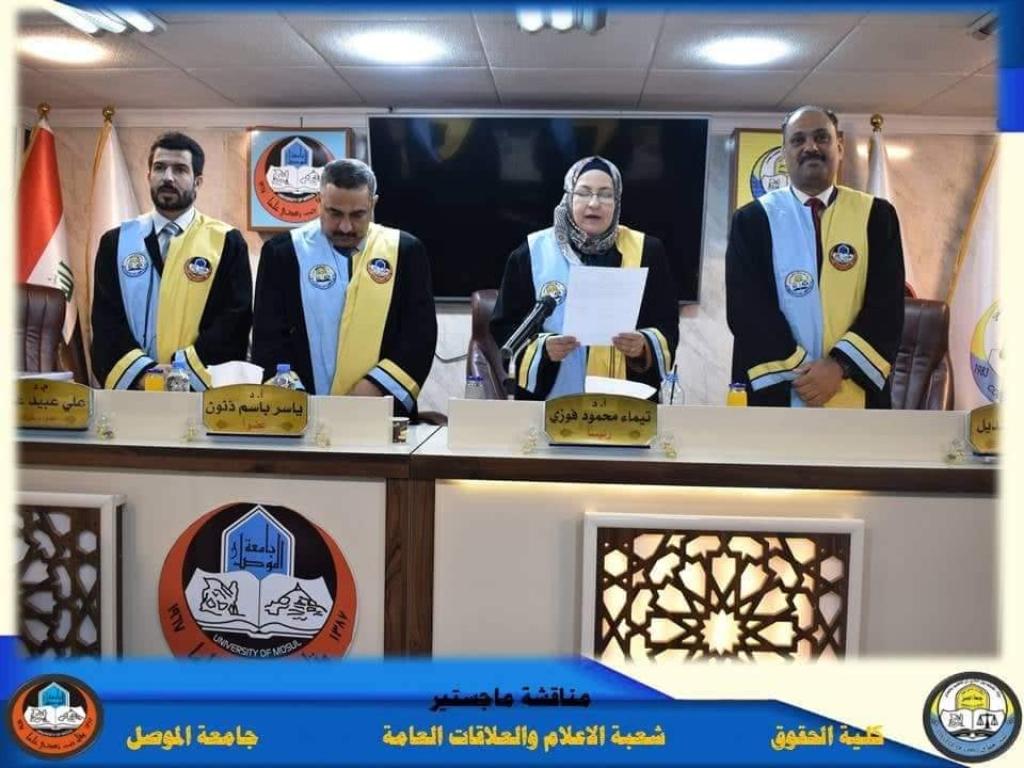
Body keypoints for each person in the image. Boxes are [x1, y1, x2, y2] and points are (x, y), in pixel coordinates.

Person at [726, 106, 905, 408]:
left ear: (840, 147)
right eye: (798, 140)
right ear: (784, 153)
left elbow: (887, 306)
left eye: (822, 137)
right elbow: (747, 309)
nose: (810, 147)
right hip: (778, 393)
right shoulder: (753, 220)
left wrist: (838, 366)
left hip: (856, 390)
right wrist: (805, 373)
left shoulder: (877, 217)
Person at [252, 159, 437, 417]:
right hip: (300, 414)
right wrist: (299, 407)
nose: (346, 227)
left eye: (358, 214)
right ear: (319, 202)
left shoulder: (405, 251)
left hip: (380, 412)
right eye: (335, 213)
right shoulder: (284, 253)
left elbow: (419, 337)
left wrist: (367, 394)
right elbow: (268, 339)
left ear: (373, 204)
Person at [491, 156, 679, 400]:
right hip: (550, 401)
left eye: (606, 194)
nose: (594, 203)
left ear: (617, 202)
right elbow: (504, 326)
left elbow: (666, 323)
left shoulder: (647, 251)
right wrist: (543, 349)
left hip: (626, 402)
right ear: (569, 197)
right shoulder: (532, 252)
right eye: (583, 193)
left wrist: (644, 345)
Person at [91, 132, 252, 390]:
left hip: (199, 392)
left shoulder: (225, 242)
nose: (168, 177)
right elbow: (106, 322)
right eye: (159, 168)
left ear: (198, 181)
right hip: (135, 391)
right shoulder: (117, 242)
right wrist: (145, 374)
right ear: (148, 176)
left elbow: (232, 323)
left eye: (179, 169)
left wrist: (181, 373)